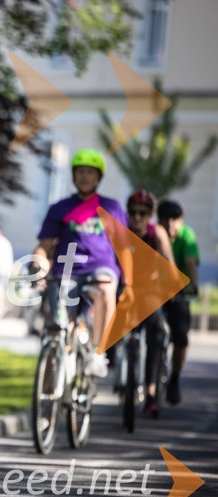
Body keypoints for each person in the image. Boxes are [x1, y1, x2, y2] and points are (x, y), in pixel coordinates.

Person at [32, 148, 131, 379]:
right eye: (80, 172)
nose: (85, 176)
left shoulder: (112, 208)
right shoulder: (60, 208)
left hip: (101, 269)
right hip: (66, 271)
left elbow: (125, 250)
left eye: (90, 172)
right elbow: (43, 247)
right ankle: (48, 396)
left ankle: (98, 353)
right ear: (74, 175)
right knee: (57, 330)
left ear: (98, 177)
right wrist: (38, 264)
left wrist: (129, 280)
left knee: (105, 289)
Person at [125, 190, 174, 415]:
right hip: (126, 289)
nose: (137, 217)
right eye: (133, 212)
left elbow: (169, 265)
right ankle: (113, 362)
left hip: (150, 291)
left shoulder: (158, 233)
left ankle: (151, 393)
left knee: (156, 331)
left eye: (142, 213)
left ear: (150, 215)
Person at [157, 199, 200, 405]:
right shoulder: (154, 234)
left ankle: (174, 378)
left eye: (175, 220)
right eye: (166, 220)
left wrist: (193, 286)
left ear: (181, 220)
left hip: (178, 292)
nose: (170, 224)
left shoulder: (187, 236)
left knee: (181, 337)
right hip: (155, 290)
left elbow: (191, 264)